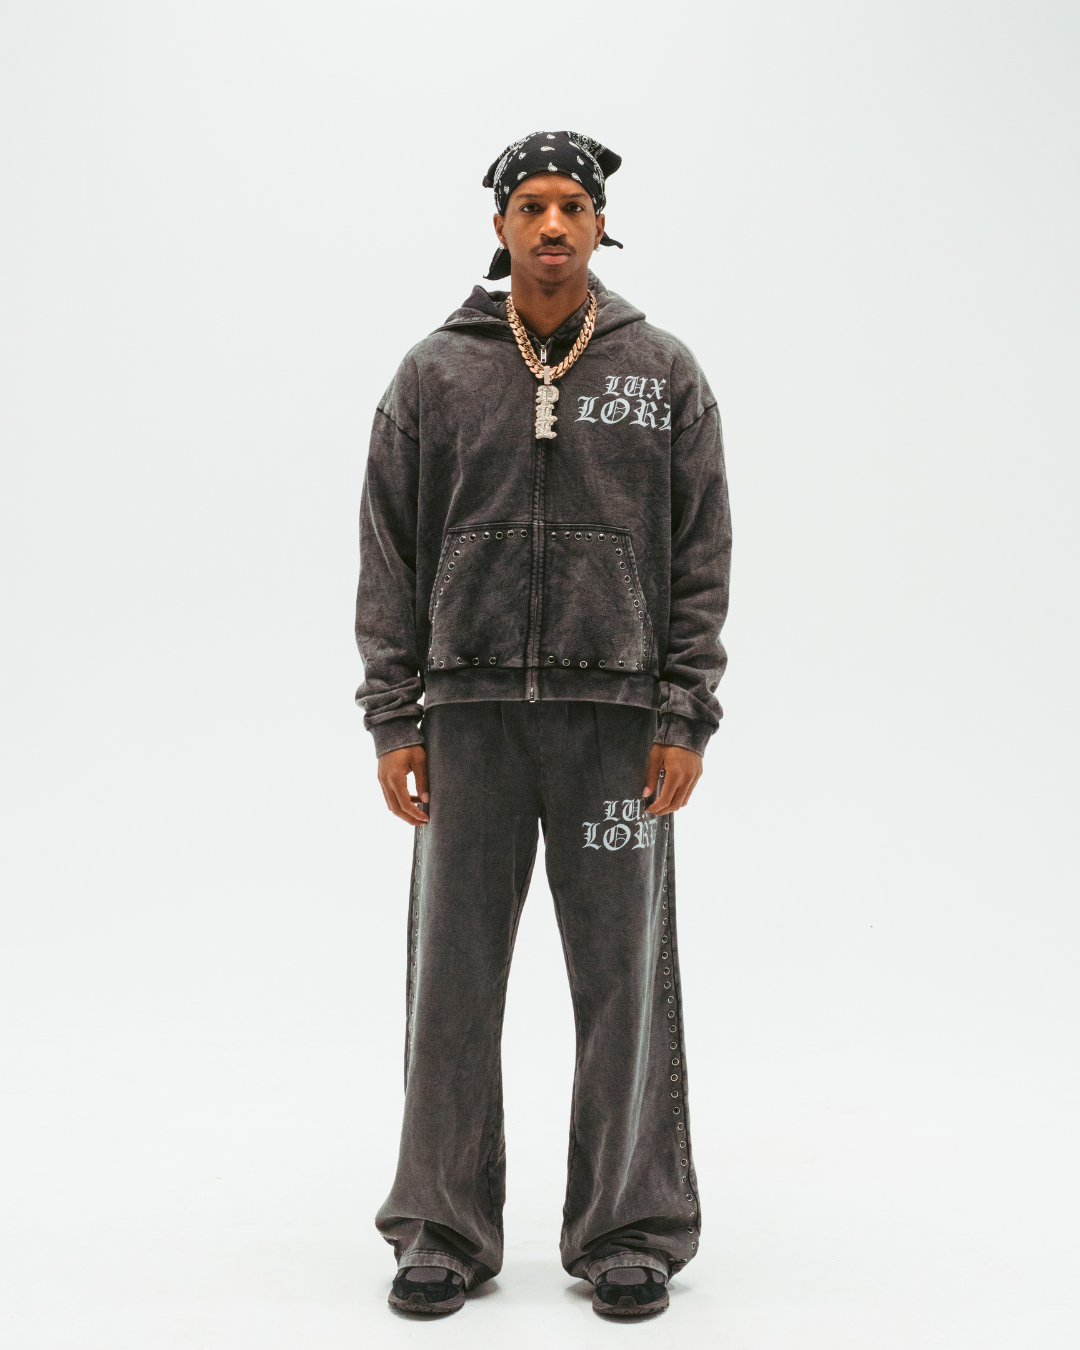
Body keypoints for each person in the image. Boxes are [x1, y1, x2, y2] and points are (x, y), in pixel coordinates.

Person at [354, 129, 731, 1320]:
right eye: (532, 206)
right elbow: (388, 551)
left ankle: (629, 1229)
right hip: (465, 720)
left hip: (617, 725)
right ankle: (440, 1230)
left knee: (624, 976)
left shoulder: (659, 371)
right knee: (453, 983)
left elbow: (701, 555)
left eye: (573, 204)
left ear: (601, 224)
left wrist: (684, 711)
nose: (553, 223)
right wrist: (393, 716)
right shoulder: (435, 374)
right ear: (502, 227)